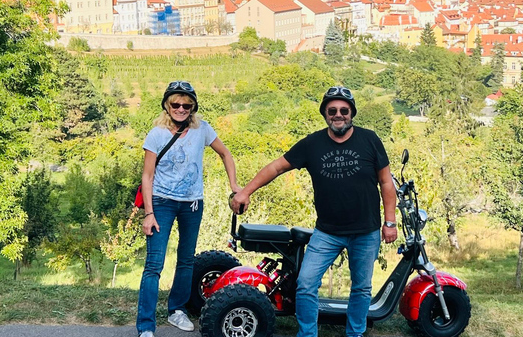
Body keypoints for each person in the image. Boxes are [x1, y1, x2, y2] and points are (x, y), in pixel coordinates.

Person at [231, 86, 397, 337]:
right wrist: (246, 191)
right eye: (332, 110)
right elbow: (276, 167)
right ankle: (307, 334)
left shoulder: (370, 139)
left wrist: (390, 222)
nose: (338, 114)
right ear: (325, 114)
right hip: (327, 232)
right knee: (306, 284)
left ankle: (355, 334)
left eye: (344, 110)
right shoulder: (312, 144)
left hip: (366, 231)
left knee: (361, 288)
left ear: (352, 113)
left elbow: (386, 182)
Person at [136, 81, 240, 337]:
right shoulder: (156, 134)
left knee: (186, 260)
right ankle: (146, 325)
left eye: (186, 105)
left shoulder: (202, 129)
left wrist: (235, 185)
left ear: (193, 107)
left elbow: (226, 154)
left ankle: (176, 311)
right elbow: (147, 176)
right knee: (154, 264)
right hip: (161, 202)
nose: (181, 109)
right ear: (167, 105)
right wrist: (148, 213)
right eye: (176, 104)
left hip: (192, 204)